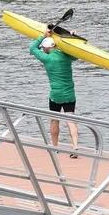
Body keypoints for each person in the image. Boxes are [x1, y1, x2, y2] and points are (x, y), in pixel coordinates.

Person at [29, 28, 78, 158]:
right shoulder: (67, 56)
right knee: (71, 120)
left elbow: (32, 48)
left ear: (46, 48)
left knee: (54, 120)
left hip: (55, 95)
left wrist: (43, 35)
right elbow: (77, 53)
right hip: (70, 94)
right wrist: (72, 37)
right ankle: (75, 146)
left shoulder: (46, 58)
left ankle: (55, 147)